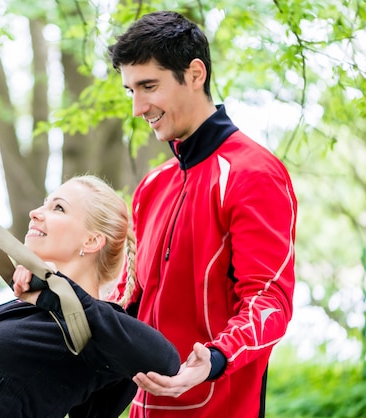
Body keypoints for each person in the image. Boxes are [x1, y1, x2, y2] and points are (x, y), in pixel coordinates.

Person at [107, 10, 298, 418]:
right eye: (130, 91)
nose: (138, 107)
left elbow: (270, 301)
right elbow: (124, 302)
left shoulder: (254, 174)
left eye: (149, 86)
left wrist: (212, 359)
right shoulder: (151, 187)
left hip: (219, 406)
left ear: (195, 74)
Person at [0, 174, 181, 417]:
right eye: (44, 204)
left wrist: (62, 295)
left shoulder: (93, 327)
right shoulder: (36, 307)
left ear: (91, 241)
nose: (35, 213)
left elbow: (165, 361)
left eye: (58, 208)